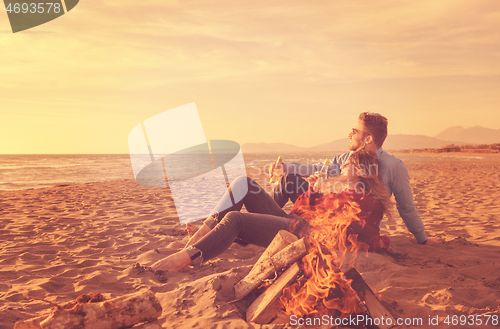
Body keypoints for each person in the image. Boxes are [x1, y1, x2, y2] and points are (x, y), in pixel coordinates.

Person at [151, 149, 391, 273]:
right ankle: (204, 232)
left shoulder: (368, 203)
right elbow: (307, 209)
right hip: (296, 222)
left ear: (361, 170)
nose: (343, 166)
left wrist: (378, 244)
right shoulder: (340, 190)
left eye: (348, 163)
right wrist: (313, 190)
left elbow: (359, 237)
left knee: (236, 219)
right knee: (242, 183)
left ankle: (187, 258)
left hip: (303, 235)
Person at [272, 112, 429, 245]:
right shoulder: (347, 158)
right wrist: (286, 168)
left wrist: (422, 239)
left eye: (354, 131)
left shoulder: (394, 166)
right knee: (289, 179)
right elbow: (318, 168)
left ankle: (268, 225)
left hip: (355, 226)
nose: (349, 135)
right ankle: (268, 222)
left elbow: (406, 206)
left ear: (368, 139)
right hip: (335, 209)